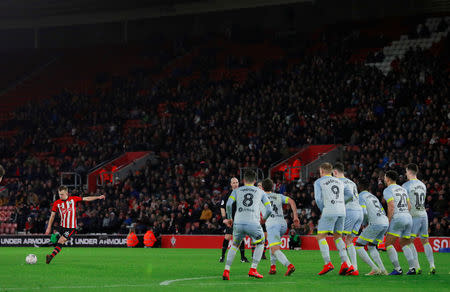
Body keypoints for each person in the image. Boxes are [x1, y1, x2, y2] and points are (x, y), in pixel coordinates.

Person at [222, 170, 272, 280]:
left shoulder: (236, 190)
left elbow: (229, 204)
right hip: (253, 223)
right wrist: (263, 219)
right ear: (254, 181)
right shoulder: (260, 192)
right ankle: (253, 269)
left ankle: (226, 270)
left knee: (235, 245)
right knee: (261, 243)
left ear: (243, 180)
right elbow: (269, 209)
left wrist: (230, 218)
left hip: (238, 223)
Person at [45, 185, 105, 264]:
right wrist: (49, 227)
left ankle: (50, 257)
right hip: (62, 226)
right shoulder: (57, 203)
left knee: (61, 241)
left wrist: (97, 197)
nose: (60, 196)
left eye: (62, 194)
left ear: (66, 193)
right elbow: (52, 216)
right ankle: (50, 250)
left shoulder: (73, 199)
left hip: (71, 228)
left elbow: (86, 198)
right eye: (59, 194)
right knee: (55, 240)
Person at [314, 162, 353, 276]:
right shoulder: (340, 181)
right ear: (331, 171)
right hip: (342, 210)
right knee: (338, 236)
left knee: (320, 236)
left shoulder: (319, 182)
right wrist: (340, 202)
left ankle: (328, 263)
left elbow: (318, 199)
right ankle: (345, 263)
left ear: (321, 171)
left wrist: (324, 209)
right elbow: (350, 195)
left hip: (329, 210)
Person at [402, 164, 436, 275]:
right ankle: (432, 266)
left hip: (414, 215)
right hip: (423, 214)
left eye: (406, 171)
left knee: (408, 242)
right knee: (425, 241)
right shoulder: (423, 185)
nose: (405, 173)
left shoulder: (406, 185)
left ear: (409, 171)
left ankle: (417, 267)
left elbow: (408, 205)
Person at [262, 178, 299, 276]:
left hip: (272, 224)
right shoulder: (278, 196)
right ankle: (272, 267)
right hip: (283, 224)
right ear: (272, 186)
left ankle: (289, 265)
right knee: (272, 244)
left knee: (275, 248)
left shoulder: (261, 197)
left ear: (262, 187)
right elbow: (291, 201)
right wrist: (295, 216)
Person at [383, 170, 416, 275]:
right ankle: (412, 268)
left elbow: (391, 206)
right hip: (408, 216)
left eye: (384, 177)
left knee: (388, 243)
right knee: (404, 243)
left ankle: (397, 269)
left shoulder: (388, 190)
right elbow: (409, 206)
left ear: (388, 179)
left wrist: (388, 221)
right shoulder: (403, 189)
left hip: (398, 217)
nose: (384, 179)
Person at [333, 163, 363, 275]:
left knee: (338, 236)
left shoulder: (338, 182)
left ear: (335, 172)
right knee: (349, 240)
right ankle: (354, 268)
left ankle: (347, 264)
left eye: (333, 174)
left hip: (349, 211)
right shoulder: (352, 182)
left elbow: (345, 197)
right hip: (359, 211)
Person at [354, 178, 389, 275]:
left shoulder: (360, 196)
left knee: (358, 245)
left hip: (376, 223)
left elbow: (364, 212)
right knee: (371, 246)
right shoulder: (373, 197)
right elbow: (383, 210)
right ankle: (382, 270)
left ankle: (374, 268)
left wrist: (364, 223)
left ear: (359, 187)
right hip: (384, 222)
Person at [219, 177, 249, 263]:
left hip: (240, 220)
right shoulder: (227, 195)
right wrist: (225, 218)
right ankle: (222, 256)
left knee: (241, 238)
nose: (235, 184)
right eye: (233, 183)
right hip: (231, 220)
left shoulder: (242, 194)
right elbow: (222, 207)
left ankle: (242, 257)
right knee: (227, 237)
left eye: (236, 182)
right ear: (231, 184)